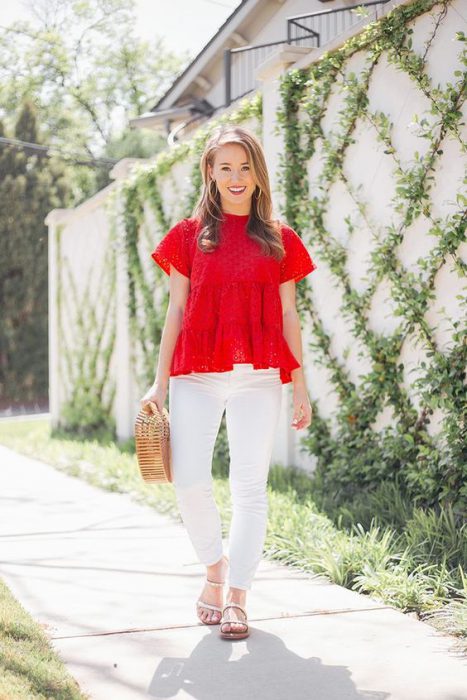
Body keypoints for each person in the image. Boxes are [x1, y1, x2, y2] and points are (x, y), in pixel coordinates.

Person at [140, 124, 317, 640]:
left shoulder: (281, 239)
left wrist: (299, 385)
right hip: (196, 375)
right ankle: (214, 569)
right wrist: (158, 384)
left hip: (260, 378)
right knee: (190, 478)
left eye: (245, 168)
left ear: (258, 175)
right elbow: (175, 310)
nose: (236, 177)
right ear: (210, 174)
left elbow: (288, 315)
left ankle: (238, 597)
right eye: (225, 168)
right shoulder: (186, 236)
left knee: (249, 488)